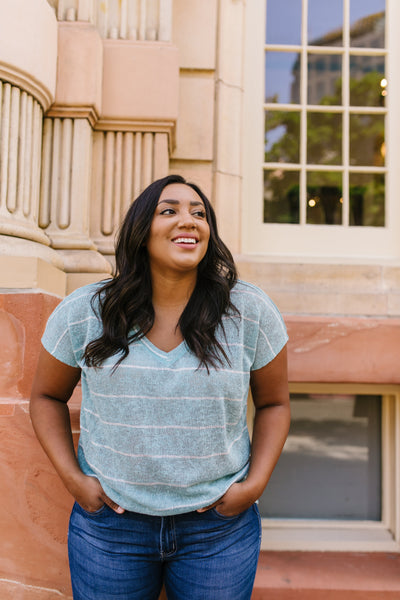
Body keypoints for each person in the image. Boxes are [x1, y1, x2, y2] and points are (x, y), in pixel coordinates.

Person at [30, 174, 290, 600]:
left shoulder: (249, 311)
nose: (188, 220)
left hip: (218, 532)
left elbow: (275, 403)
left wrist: (254, 485)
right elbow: (45, 397)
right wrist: (73, 479)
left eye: (199, 213)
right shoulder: (85, 312)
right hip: (110, 530)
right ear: (140, 231)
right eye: (169, 210)